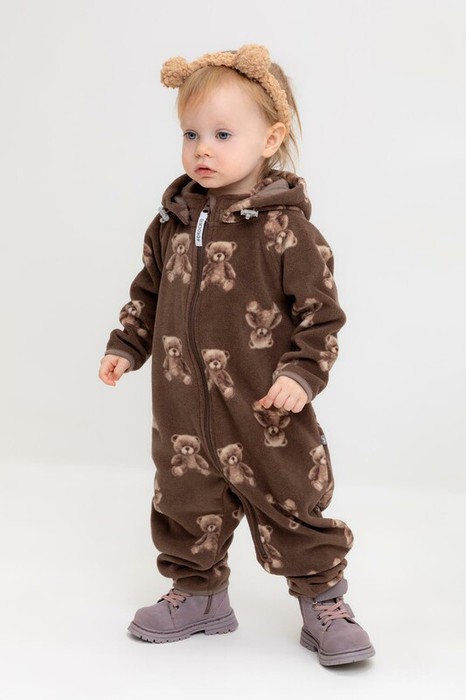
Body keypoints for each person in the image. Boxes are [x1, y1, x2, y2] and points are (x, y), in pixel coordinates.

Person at [99, 44, 375, 666]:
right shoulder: (170, 222)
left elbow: (322, 316)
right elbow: (148, 292)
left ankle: (324, 601)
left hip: (264, 407)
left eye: (223, 134)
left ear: (269, 138)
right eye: (191, 133)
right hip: (182, 409)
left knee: (292, 500)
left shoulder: (287, 231)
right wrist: (127, 344)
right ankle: (199, 595)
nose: (203, 148)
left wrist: (302, 374)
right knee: (183, 499)